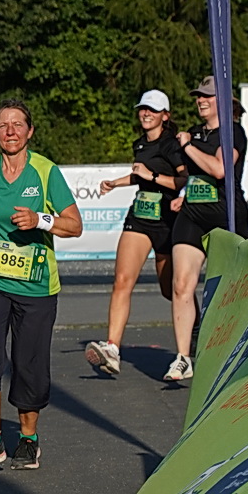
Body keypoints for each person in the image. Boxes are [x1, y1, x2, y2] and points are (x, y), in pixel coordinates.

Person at [0, 101, 83, 471]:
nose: (10, 131)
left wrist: (40, 219)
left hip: (36, 285)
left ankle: (28, 439)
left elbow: (74, 224)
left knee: (29, 365)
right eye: (2, 125)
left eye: (17, 125)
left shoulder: (45, 172)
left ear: (30, 132)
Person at [84, 92, 187, 378]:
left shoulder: (172, 145)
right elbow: (138, 174)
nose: (145, 114)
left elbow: (182, 180)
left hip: (166, 220)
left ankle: (194, 326)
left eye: (152, 110)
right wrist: (115, 183)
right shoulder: (140, 143)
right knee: (122, 281)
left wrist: (152, 177)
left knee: (171, 289)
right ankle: (113, 348)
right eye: (142, 109)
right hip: (139, 218)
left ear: (165, 115)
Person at [163, 76, 248, 383]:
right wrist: (185, 194)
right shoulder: (198, 132)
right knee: (181, 285)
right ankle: (184, 356)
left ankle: (233, 351)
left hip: (225, 215)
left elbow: (220, 169)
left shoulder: (233, 133)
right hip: (193, 214)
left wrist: (187, 146)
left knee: (230, 291)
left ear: (224, 102)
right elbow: (198, 175)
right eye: (198, 96)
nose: (200, 100)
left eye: (207, 96)